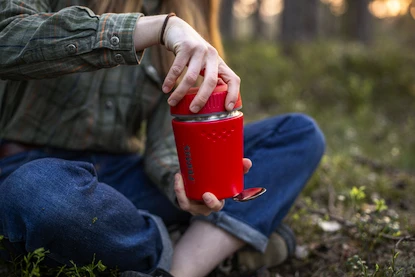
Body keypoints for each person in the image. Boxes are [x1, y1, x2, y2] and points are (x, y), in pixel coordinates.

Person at [0, 0, 325, 276]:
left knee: (297, 134)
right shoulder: (169, 24)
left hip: (119, 179)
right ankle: (199, 246)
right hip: (24, 169)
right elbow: (8, 37)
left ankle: (175, 264)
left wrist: (179, 180)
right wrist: (155, 29)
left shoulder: (186, 9)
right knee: (40, 194)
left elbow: (168, 140)